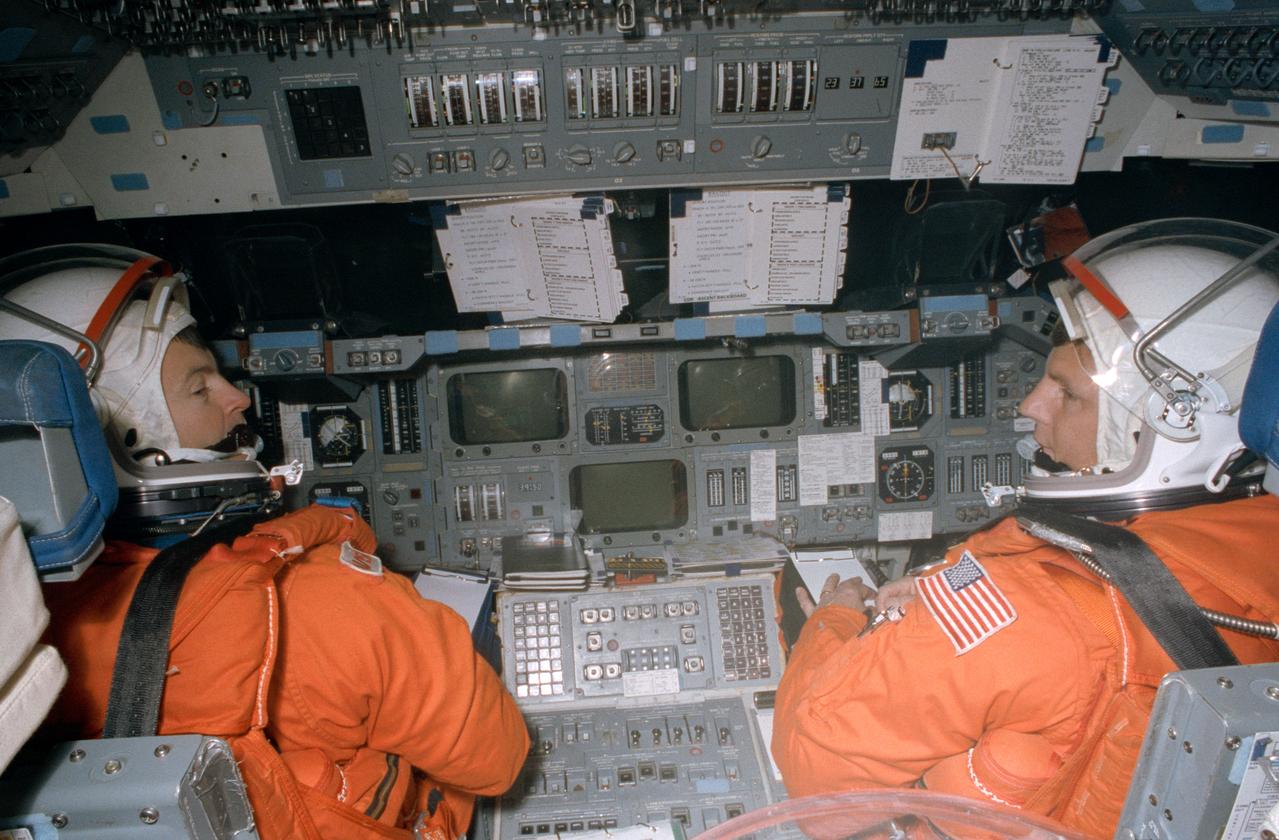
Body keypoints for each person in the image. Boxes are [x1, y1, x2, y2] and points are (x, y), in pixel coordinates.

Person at [0, 245, 531, 840]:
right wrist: (429, 629)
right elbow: (499, 760)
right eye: (199, 389)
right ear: (109, 437)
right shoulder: (314, 602)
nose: (238, 398)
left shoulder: (15, 628)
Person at [772, 218, 1279, 839]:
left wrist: (832, 621)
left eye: (1067, 394)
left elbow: (818, 777)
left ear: (1165, 427)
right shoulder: (1258, 542)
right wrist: (941, 587)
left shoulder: (1022, 615)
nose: (1029, 404)